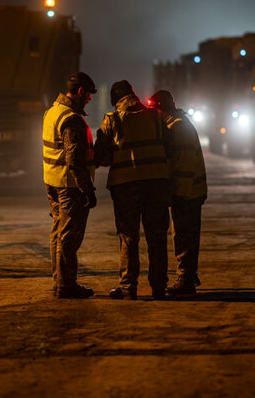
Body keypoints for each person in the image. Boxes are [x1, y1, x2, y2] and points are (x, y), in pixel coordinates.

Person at [94, 80, 172, 300]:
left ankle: (128, 288)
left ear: (115, 101)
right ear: (134, 95)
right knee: (157, 236)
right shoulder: (157, 117)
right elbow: (170, 148)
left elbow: (102, 157)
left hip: (126, 187)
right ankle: (158, 288)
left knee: (128, 238)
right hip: (156, 185)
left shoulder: (112, 120)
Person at [43, 72, 99, 299]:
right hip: (69, 185)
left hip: (52, 182)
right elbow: (74, 160)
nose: (90, 100)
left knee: (58, 233)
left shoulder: (51, 112)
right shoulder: (71, 119)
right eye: (88, 95)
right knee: (69, 237)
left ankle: (59, 281)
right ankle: (67, 285)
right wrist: (88, 190)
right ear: (79, 92)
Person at [149, 90, 207, 297]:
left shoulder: (177, 127)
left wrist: (178, 195)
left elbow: (182, 165)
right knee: (185, 235)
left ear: (159, 109)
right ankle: (189, 275)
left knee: (184, 236)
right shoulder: (177, 122)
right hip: (190, 191)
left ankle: (185, 281)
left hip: (187, 192)